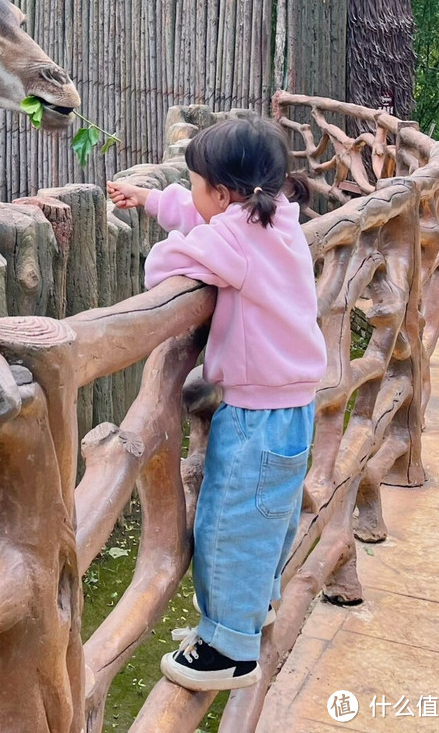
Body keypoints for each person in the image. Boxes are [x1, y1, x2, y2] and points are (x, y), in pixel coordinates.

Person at [107, 116, 326, 692]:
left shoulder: (234, 238)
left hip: (257, 414)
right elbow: (208, 215)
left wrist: (170, 235)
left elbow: (167, 266)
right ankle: (256, 611)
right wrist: (157, 200)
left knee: (232, 521)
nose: (194, 193)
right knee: (267, 516)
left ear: (225, 195)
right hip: (290, 404)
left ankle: (230, 648)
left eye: (198, 182)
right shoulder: (275, 218)